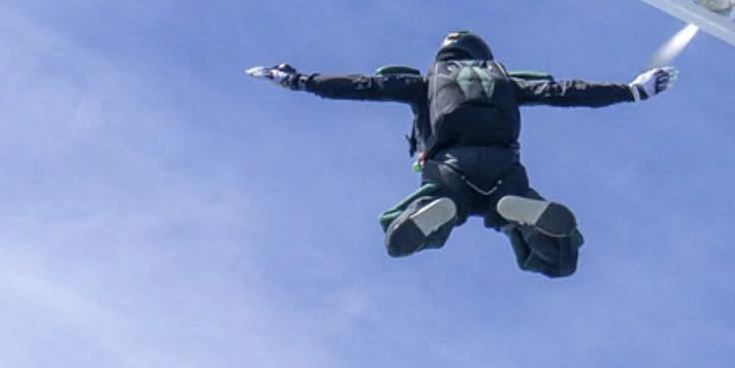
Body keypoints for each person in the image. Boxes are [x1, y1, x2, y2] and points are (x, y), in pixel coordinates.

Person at [250, 30, 677, 277]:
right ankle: (521, 216)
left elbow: (365, 85)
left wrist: (300, 80)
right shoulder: (509, 82)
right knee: (561, 259)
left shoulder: (422, 81)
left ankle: (438, 209)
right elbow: (564, 92)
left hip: (448, 168)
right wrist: (632, 90)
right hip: (504, 170)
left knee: (400, 228)